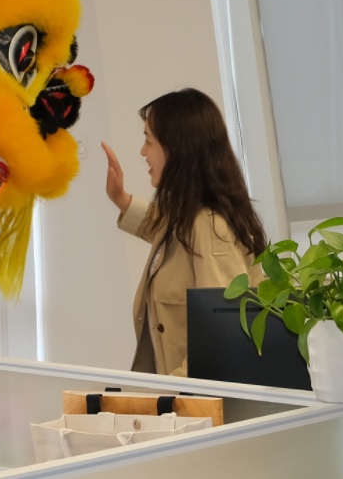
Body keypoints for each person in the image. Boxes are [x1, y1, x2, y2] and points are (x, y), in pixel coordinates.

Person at [102, 87, 265, 377]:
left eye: (148, 141)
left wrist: (174, 392)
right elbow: (163, 229)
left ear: (177, 149)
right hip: (181, 393)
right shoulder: (186, 218)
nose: (143, 152)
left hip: (195, 396)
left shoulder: (210, 227)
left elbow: (221, 334)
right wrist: (121, 199)